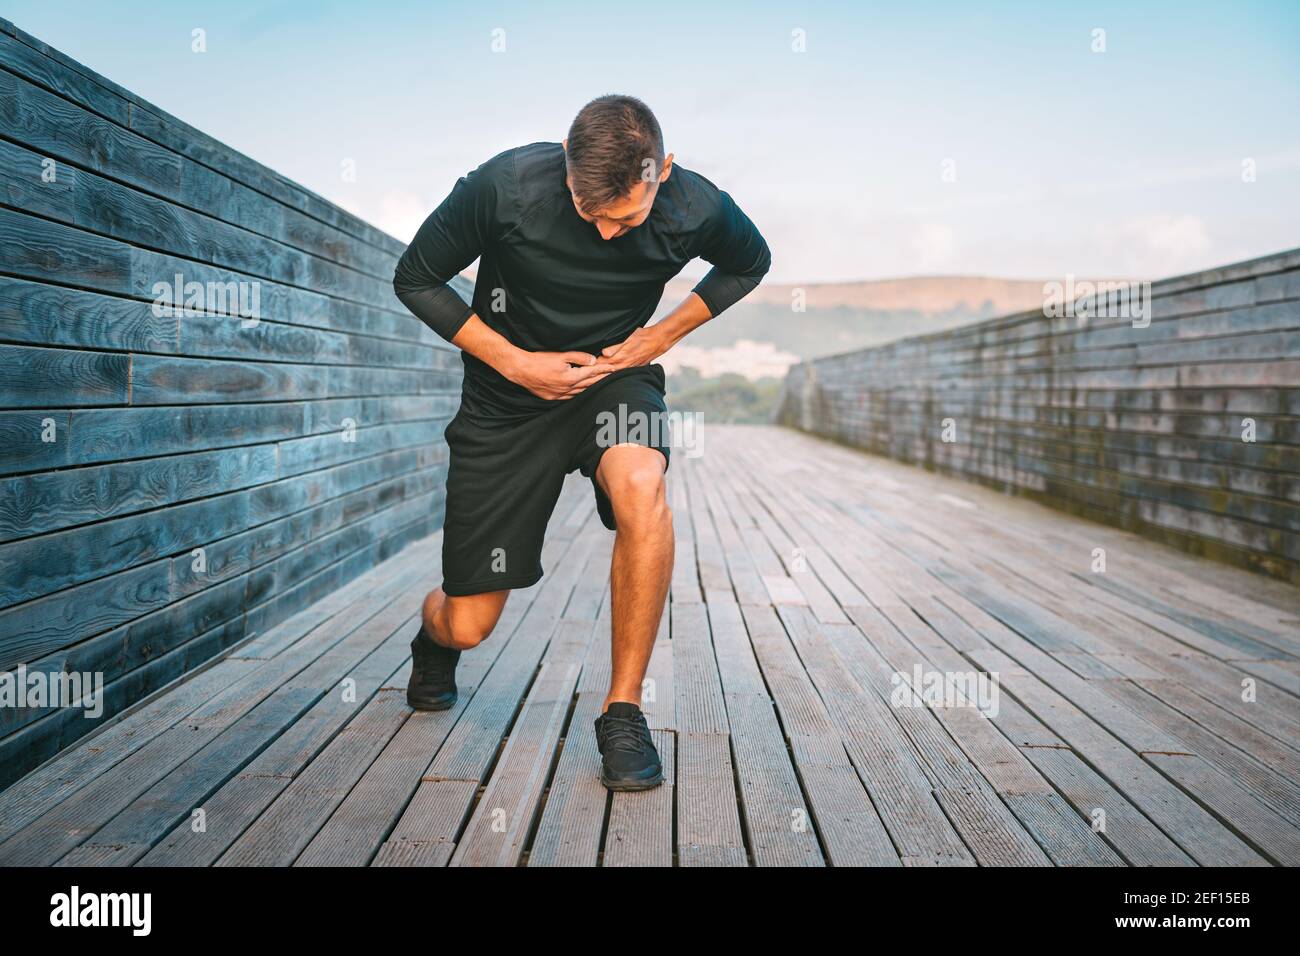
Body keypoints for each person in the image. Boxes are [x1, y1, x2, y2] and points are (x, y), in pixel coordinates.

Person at [393, 94, 770, 790]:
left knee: (641, 486)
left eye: (624, 216)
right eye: (585, 208)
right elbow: (416, 276)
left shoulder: (699, 207)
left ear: (665, 171)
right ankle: (433, 637)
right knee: (470, 623)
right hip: (506, 400)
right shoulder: (503, 186)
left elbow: (749, 263)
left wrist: (660, 337)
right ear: (565, 168)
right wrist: (512, 361)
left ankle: (622, 710)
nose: (603, 231)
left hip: (611, 382)